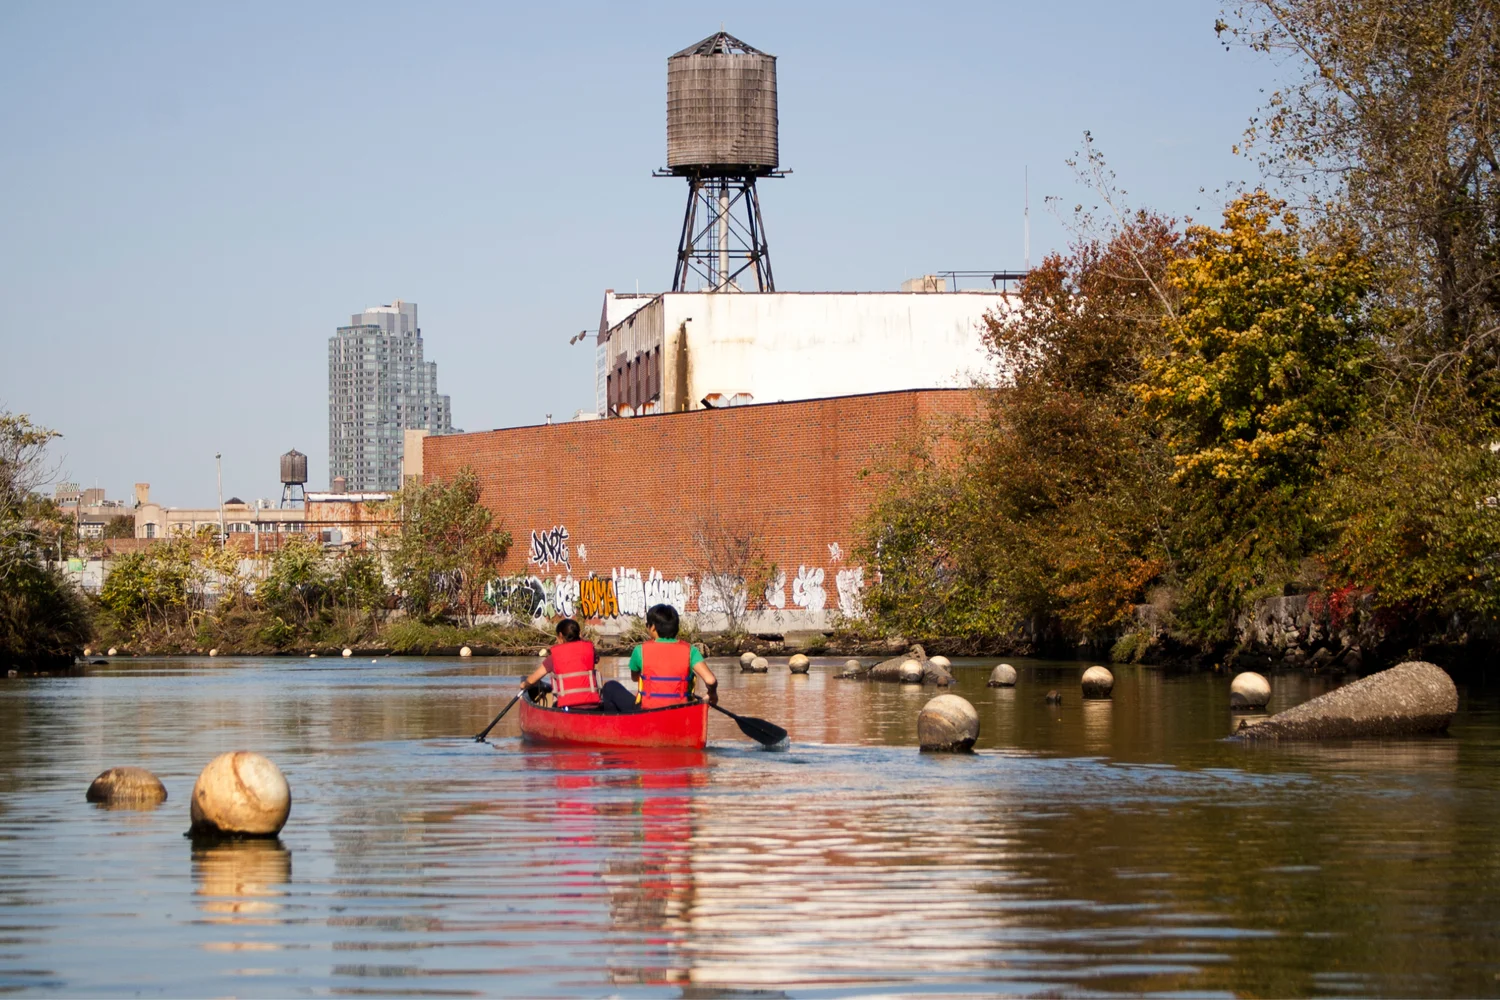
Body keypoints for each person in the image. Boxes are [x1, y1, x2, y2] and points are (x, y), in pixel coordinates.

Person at [629, 603, 718, 709]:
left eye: (647, 625)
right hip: (681, 710)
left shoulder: (639, 650)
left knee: (613, 687)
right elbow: (710, 680)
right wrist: (712, 693)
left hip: (649, 710)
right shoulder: (690, 650)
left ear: (653, 628)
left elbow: (635, 678)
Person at [520, 618, 602, 710]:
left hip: (568, 707)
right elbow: (596, 658)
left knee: (555, 705)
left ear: (560, 635)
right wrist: (581, 640)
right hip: (592, 705)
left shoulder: (554, 657)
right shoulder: (590, 650)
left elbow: (532, 680)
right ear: (579, 634)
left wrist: (523, 685)